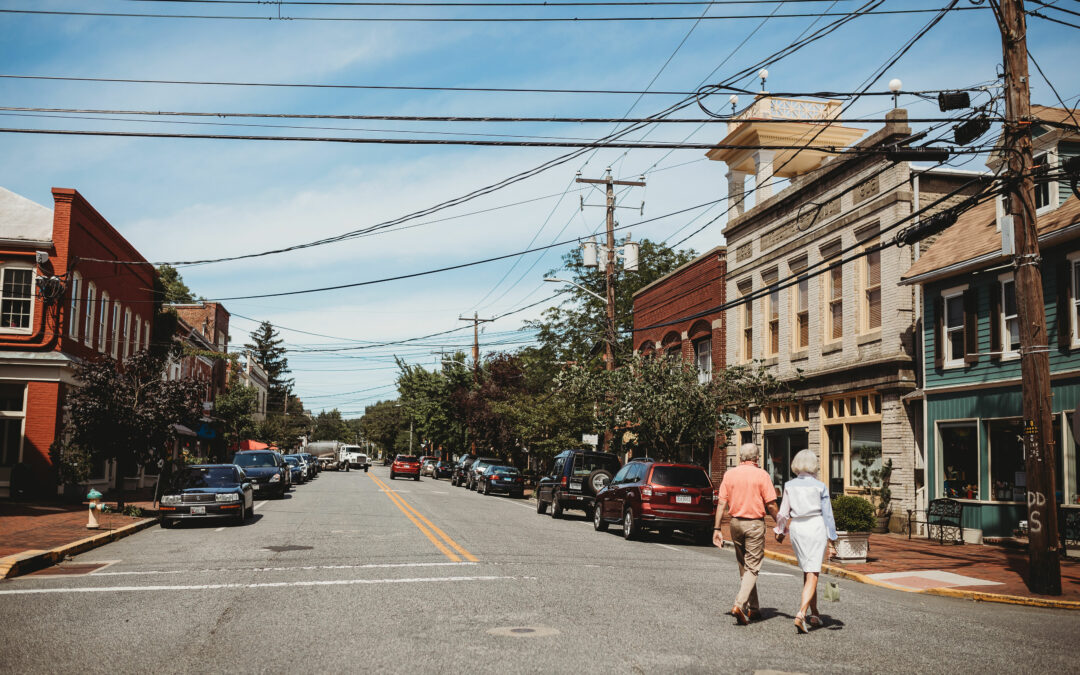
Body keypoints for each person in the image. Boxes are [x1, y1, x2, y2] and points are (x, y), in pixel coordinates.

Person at [713, 442, 780, 625]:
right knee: (752, 566)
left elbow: (721, 503)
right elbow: (771, 504)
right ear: (757, 458)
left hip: (735, 524)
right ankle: (739, 604)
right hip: (754, 524)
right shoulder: (762, 475)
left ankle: (754, 608)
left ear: (741, 457)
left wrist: (717, 528)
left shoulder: (730, 474)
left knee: (744, 565)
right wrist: (781, 524)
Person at [773, 449, 838, 634]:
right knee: (813, 572)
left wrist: (780, 531)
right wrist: (832, 540)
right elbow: (828, 515)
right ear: (813, 465)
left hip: (797, 528)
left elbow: (783, 512)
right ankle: (801, 614)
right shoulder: (820, 486)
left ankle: (815, 612)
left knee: (807, 571)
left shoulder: (789, 485)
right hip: (815, 526)